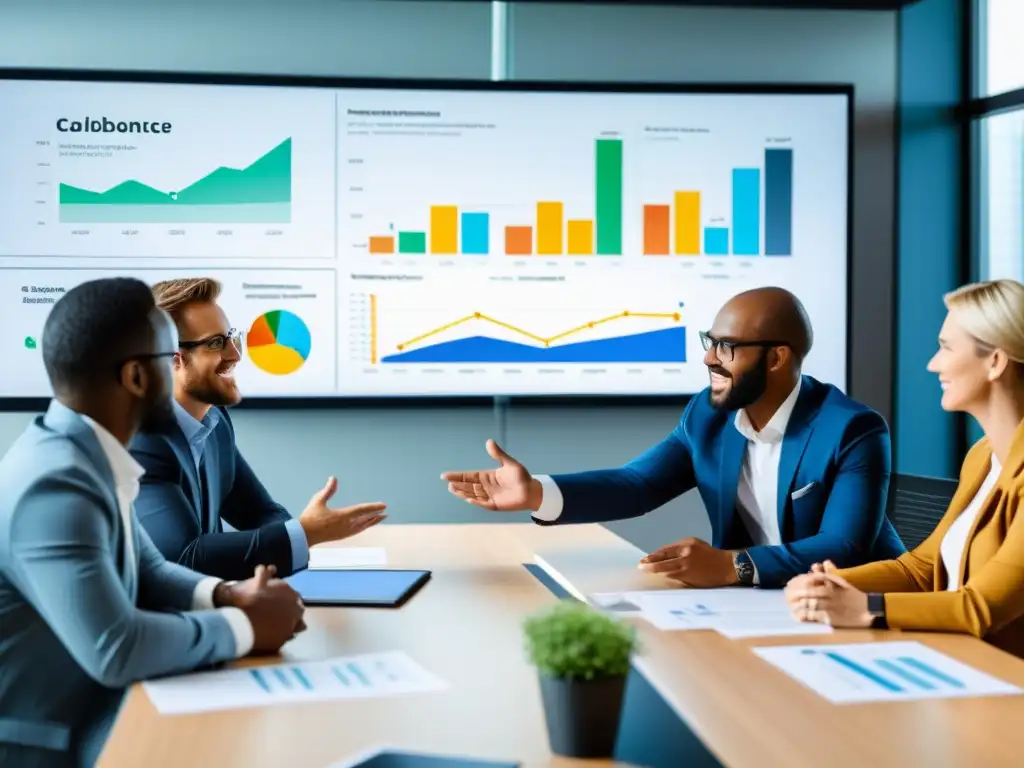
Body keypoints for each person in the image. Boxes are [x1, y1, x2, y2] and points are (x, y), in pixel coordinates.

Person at [0, 277, 306, 768]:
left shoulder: (86, 453)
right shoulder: (53, 484)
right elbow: (115, 647)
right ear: (138, 379)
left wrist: (228, 595)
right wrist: (245, 626)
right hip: (52, 740)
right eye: (171, 360)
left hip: (102, 709)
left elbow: (149, 569)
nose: (180, 374)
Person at [442, 287, 905, 589]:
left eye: (727, 346)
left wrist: (732, 565)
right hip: (757, 609)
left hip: (858, 608)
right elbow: (637, 484)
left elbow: (845, 548)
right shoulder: (707, 414)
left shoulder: (851, 428)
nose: (708, 359)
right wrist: (538, 493)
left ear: (777, 358)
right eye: (710, 340)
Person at [786, 279, 1024, 657]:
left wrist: (868, 609)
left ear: (995, 361)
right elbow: (922, 567)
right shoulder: (983, 456)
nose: (933, 364)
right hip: (962, 665)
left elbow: (983, 606)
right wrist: (831, 582)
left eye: (946, 348)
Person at [129, 277, 386, 582]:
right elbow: (186, 556)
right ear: (173, 361)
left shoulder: (214, 422)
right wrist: (305, 534)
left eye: (231, 337)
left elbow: (261, 513)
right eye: (215, 343)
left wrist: (299, 534)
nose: (235, 354)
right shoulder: (142, 441)